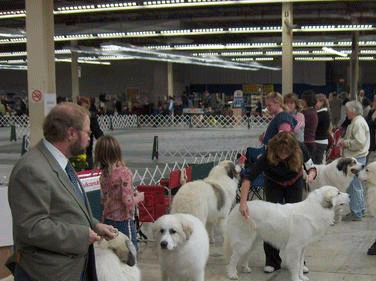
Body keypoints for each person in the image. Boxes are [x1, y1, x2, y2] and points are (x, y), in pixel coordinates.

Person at [7, 102, 117, 281]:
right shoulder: (31, 169)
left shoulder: (60, 162)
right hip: (47, 273)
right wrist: (82, 234)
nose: (90, 137)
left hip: (71, 268)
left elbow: (66, 207)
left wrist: (94, 224)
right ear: (71, 133)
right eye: (87, 132)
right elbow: (32, 227)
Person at [239, 132, 317, 274]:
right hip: (274, 184)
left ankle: (299, 261)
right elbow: (247, 177)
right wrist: (243, 203)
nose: (282, 155)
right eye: (279, 152)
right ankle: (272, 261)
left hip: (295, 183)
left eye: (286, 152)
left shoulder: (301, 148)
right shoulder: (267, 154)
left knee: (296, 223)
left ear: (293, 150)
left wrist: (311, 175)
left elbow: (312, 168)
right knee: (271, 222)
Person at [94, 135, 144, 250]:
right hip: (124, 222)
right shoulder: (124, 173)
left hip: (107, 222)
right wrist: (140, 197)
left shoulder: (104, 175)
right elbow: (128, 202)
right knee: (130, 256)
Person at [338, 100, 370, 221]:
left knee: (354, 186)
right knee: (358, 185)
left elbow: (359, 142)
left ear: (353, 111)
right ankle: (359, 211)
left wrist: (345, 143)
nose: (346, 113)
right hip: (357, 157)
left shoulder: (358, 123)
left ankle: (356, 212)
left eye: (348, 110)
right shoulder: (357, 121)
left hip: (356, 157)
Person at [77, 96, 104, 169]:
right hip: (76, 151)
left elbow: (97, 132)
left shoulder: (91, 118)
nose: (85, 109)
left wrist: (103, 141)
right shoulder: (74, 118)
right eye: (83, 107)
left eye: (87, 107)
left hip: (88, 151)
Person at [314, 93, 331, 164]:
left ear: (322, 102)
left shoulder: (321, 114)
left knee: (318, 163)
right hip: (322, 140)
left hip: (319, 141)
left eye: (317, 101)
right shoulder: (325, 113)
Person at [301, 90, 318, 156]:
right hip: (310, 141)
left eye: (303, 100)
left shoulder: (307, 113)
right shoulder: (313, 111)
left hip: (307, 141)